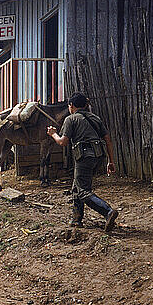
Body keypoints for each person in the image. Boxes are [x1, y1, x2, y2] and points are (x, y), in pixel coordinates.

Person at [47, 92, 118, 231]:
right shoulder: (95, 118)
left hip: (84, 157)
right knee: (77, 186)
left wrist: (53, 134)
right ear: (85, 105)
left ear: (71, 105)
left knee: (83, 190)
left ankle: (108, 211)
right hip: (98, 156)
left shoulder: (71, 119)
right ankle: (76, 220)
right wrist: (111, 161)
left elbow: (63, 142)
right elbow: (108, 140)